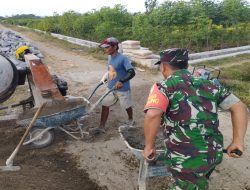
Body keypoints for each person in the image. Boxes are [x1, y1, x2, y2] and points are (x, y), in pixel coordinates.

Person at [142, 48, 248, 189]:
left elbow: (152, 114)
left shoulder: (164, 87)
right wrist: (237, 142)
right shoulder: (211, 84)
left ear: (163, 66)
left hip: (185, 159)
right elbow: (239, 107)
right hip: (212, 154)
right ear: (186, 65)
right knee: (199, 183)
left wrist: (149, 147)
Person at [89, 37, 136, 134]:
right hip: (110, 87)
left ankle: (131, 119)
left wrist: (122, 81)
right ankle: (101, 126)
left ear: (114, 47)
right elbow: (111, 70)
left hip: (123, 89)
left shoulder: (123, 58)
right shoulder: (110, 57)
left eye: (107, 47)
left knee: (126, 106)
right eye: (104, 48)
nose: (105, 49)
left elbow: (131, 72)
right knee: (105, 104)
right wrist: (106, 78)